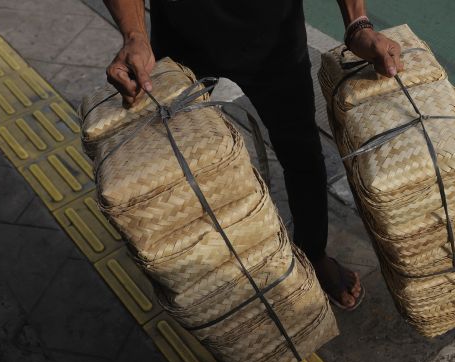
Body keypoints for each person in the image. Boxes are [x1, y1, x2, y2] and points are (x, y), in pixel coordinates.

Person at [103, 0, 403, 311]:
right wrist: (134, 35)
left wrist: (358, 25)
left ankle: (313, 252)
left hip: (274, 40)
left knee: (301, 153)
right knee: (175, 165)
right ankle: (200, 264)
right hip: (183, 38)